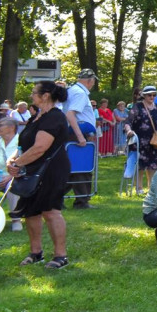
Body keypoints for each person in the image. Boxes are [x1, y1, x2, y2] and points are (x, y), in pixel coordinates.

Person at [7, 81, 72, 269]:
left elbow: (40, 148)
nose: (31, 96)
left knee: (50, 210)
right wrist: (12, 161)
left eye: (34, 92)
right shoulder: (35, 118)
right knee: (31, 211)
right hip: (31, 169)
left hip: (51, 169)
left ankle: (61, 256)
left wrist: (18, 164)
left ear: (45, 96)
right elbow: (22, 146)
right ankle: (36, 253)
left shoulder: (55, 117)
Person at [63, 68, 98, 208]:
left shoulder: (72, 90)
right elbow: (70, 114)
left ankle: (57, 198)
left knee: (73, 169)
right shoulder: (80, 93)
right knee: (82, 167)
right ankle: (82, 201)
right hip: (76, 134)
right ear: (90, 80)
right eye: (93, 81)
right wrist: (80, 136)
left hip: (73, 133)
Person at [0, 117, 21, 231]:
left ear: (11, 127)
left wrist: (9, 177)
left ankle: (16, 220)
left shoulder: (21, 142)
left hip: (15, 177)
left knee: (13, 187)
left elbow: (25, 166)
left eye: (0, 125)